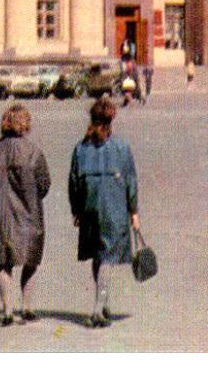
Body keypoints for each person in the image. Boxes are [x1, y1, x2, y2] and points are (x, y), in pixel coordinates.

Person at [0, 104, 51, 325]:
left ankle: (7, 310)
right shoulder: (33, 151)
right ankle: (27, 307)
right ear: (26, 124)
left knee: (4, 263)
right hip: (28, 213)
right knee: (30, 259)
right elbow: (44, 184)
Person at [69, 96, 140, 328]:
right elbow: (131, 181)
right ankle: (97, 309)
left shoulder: (80, 148)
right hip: (113, 208)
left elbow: (73, 182)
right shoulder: (121, 147)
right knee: (108, 256)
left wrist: (76, 209)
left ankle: (104, 300)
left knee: (98, 255)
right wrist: (134, 211)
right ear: (111, 120)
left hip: (89, 208)